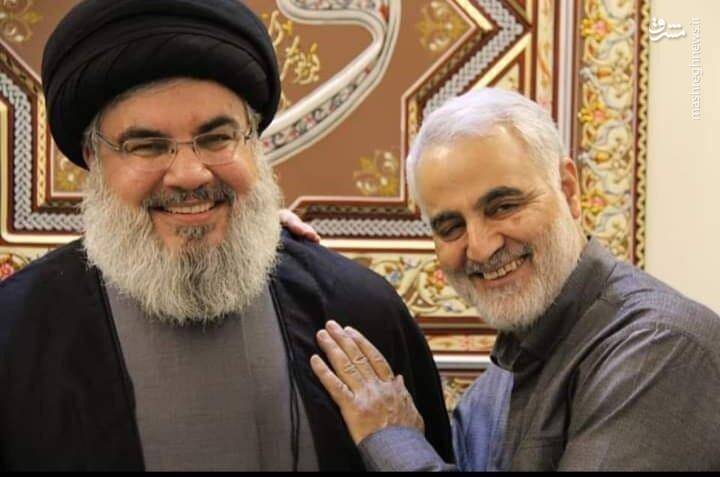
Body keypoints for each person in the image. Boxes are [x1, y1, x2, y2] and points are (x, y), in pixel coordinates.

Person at [0, 0, 453, 471]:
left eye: (217, 139)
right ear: (94, 159)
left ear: (254, 143)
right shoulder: (16, 336)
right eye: (148, 146)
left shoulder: (358, 312)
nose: (190, 174)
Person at [309, 88, 720, 471]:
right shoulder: (490, 393)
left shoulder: (661, 346)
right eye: (451, 227)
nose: (480, 247)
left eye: (503, 206)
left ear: (568, 190)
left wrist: (391, 440)